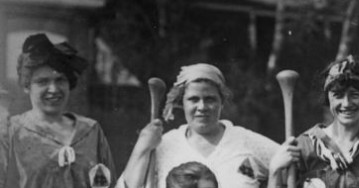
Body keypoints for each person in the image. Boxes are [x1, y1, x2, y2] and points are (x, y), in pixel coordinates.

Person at [116, 63, 280, 188]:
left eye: (210, 99)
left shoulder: (246, 142)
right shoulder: (163, 145)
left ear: (222, 102)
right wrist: (141, 148)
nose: (202, 107)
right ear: (182, 103)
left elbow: (292, 163)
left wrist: (278, 169)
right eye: (193, 99)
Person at [0, 33, 116, 188]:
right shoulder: (11, 133)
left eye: (60, 80)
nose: (53, 89)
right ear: (27, 86)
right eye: (42, 81)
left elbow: (108, 185)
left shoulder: (91, 132)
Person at [267, 57, 359, 188]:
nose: (346, 103)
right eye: (338, 95)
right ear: (328, 99)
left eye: (355, 95)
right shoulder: (303, 148)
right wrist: (274, 171)